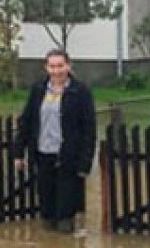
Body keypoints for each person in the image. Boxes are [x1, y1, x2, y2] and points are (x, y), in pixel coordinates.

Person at [13, 49, 97, 232]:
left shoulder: (80, 91)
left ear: (68, 65)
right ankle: (49, 246)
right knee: (46, 206)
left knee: (66, 208)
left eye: (60, 66)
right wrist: (18, 153)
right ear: (46, 67)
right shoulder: (38, 90)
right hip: (43, 155)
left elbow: (89, 129)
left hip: (69, 157)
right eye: (52, 66)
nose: (56, 71)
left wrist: (85, 163)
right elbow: (26, 121)